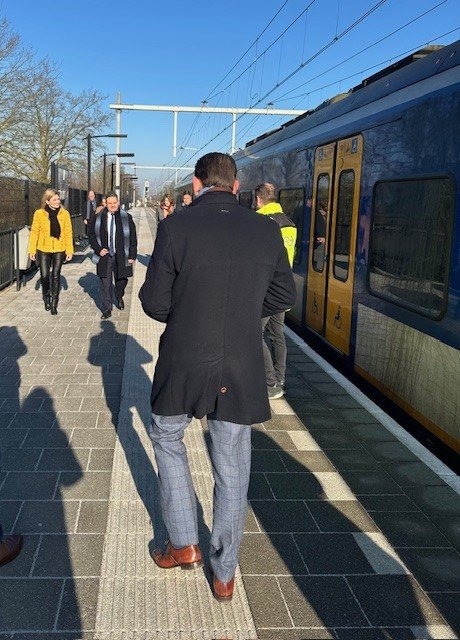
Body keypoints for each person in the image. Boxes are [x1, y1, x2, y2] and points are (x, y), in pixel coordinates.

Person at [139, 153, 296, 602]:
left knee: (168, 437)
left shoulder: (177, 226)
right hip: (242, 363)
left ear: (197, 182)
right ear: (237, 183)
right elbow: (284, 294)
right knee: (232, 462)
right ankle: (224, 572)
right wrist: (245, 316)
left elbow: (153, 303)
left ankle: (184, 543)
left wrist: (188, 315)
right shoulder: (265, 229)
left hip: (184, 359)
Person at [255, 182, 297, 399]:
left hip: (265, 288)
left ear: (258, 199)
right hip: (283, 285)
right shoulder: (289, 223)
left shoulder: (262, 222)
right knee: (277, 333)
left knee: (254, 333)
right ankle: (280, 378)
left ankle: (269, 381)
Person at [88, 191, 137, 319]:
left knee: (121, 281)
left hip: (122, 255)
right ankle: (107, 308)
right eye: (110, 203)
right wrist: (98, 250)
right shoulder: (98, 217)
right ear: (106, 204)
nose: (112, 205)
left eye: (114, 203)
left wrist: (132, 255)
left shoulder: (126, 217)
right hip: (105, 256)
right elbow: (91, 235)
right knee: (105, 283)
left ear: (118, 202)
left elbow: (132, 237)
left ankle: (119, 295)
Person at [28, 188, 74, 315]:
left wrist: (69, 250)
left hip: (60, 248)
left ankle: (54, 302)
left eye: (58, 199)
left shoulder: (64, 214)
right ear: (47, 201)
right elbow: (34, 232)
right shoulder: (39, 214)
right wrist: (32, 250)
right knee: (44, 275)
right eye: (54, 199)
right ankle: (46, 296)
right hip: (43, 248)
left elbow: (68, 233)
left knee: (56, 275)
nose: (57, 201)